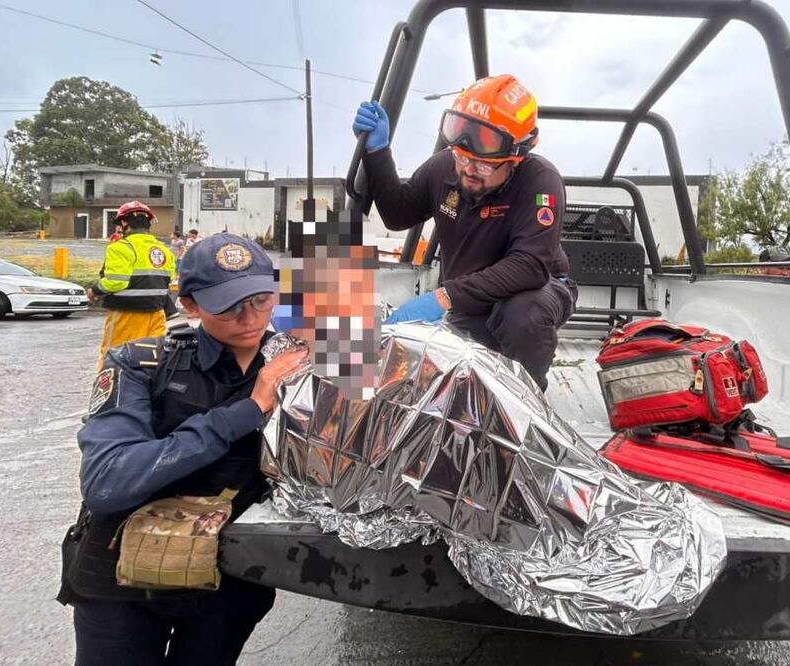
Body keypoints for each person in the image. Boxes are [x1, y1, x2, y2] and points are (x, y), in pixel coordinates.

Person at [58, 233, 307, 665]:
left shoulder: (297, 368)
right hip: (124, 581)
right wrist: (247, 411)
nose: (250, 317)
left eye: (261, 300)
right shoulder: (139, 363)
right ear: (191, 305)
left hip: (226, 582)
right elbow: (107, 481)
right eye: (228, 306)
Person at [352, 74, 576, 391]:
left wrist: (444, 296)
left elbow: (530, 266)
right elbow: (398, 214)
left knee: (522, 316)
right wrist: (377, 153)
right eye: (462, 158)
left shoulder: (540, 180)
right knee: (445, 369)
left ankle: (526, 399)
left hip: (537, 289)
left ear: (516, 157)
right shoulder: (443, 167)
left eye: (483, 165)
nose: (469, 170)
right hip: (471, 296)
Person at [88, 201, 176, 371]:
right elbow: (168, 279)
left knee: (116, 357)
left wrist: (94, 290)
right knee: (153, 359)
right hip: (156, 313)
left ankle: (111, 386)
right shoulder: (163, 250)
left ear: (124, 223)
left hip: (126, 314)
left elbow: (116, 281)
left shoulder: (120, 248)